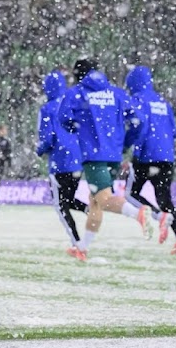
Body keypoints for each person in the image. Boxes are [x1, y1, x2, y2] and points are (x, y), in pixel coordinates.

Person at [58, 58, 150, 258]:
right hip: (113, 156)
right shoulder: (116, 93)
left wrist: (77, 130)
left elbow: (63, 118)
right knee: (95, 202)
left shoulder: (77, 93)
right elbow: (138, 120)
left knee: (103, 199)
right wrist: (125, 142)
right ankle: (82, 247)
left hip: (93, 155)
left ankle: (138, 213)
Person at [123, 66, 176, 254]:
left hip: (147, 155)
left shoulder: (137, 100)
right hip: (166, 156)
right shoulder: (163, 103)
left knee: (130, 194)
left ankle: (159, 216)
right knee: (165, 198)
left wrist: (131, 149)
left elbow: (139, 126)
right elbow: (174, 131)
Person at [36, 70, 90, 260]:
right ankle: (90, 210)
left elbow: (47, 137)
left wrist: (40, 149)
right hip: (77, 161)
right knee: (68, 200)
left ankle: (77, 244)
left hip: (60, 162)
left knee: (60, 206)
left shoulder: (47, 109)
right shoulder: (73, 104)